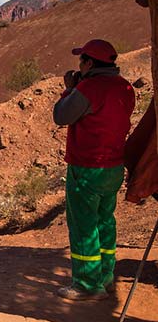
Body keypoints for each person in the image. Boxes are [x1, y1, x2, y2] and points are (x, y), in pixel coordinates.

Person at [52, 39, 135, 300]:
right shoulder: (125, 87)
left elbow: (61, 116)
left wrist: (69, 91)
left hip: (87, 167)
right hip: (113, 166)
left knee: (83, 226)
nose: (79, 65)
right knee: (105, 221)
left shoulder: (89, 88)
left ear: (89, 63)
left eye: (81, 61)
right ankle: (107, 276)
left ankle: (87, 285)